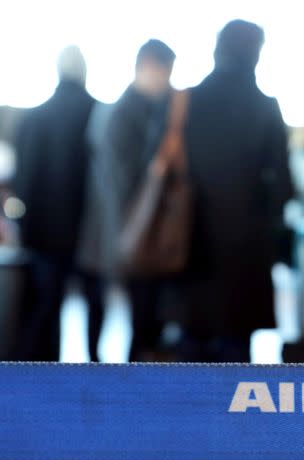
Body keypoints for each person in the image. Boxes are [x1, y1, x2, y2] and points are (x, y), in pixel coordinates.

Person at [168, 19, 295, 460]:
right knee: (235, 357)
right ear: (255, 53)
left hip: (191, 251)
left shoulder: (188, 100)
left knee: (192, 352)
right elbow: (282, 187)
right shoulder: (263, 107)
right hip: (242, 255)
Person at [81, 39, 176, 362]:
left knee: (139, 317)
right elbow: (123, 183)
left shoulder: (132, 108)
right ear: (149, 66)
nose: (168, 82)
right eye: (166, 72)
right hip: (128, 232)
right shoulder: (124, 112)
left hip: (125, 232)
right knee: (136, 316)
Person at [11, 46, 97, 361]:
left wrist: (24, 227)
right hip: (90, 232)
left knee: (44, 310)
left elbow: (23, 181)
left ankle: (42, 385)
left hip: (43, 234)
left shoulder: (33, 119)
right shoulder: (97, 113)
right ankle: (99, 376)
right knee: (95, 307)